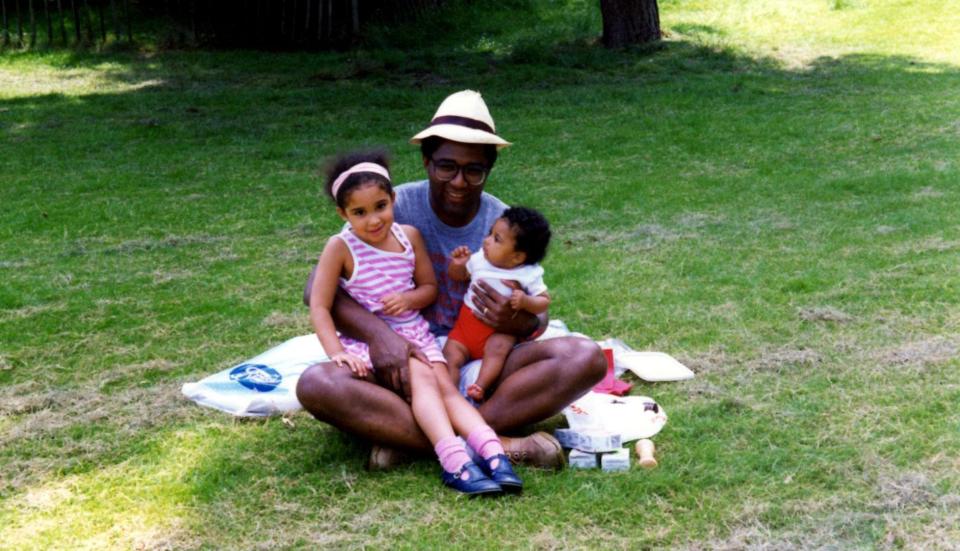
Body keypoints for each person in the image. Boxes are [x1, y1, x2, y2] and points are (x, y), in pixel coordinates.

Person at [297, 90, 607, 470]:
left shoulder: (504, 221)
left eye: (473, 170)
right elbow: (317, 289)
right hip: (399, 365)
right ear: (427, 162)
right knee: (317, 384)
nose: (459, 181)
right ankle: (496, 443)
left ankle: (418, 442)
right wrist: (382, 337)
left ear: (488, 170)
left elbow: (535, 304)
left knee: (585, 357)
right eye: (447, 166)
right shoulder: (391, 207)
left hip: (478, 363)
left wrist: (521, 320)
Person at [306, 150, 522, 495]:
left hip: (416, 334)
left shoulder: (408, 236)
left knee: (447, 389)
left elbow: (428, 289)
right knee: (423, 379)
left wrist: (407, 300)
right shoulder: (340, 246)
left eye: (380, 206)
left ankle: (494, 453)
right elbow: (319, 304)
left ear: (393, 199)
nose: (373, 220)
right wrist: (336, 352)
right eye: (359, 213)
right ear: (342, 214)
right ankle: (454, 461)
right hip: (374, 343)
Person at [445, 206, 552, 404]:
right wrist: (458, 265)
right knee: (451, 355)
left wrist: (525, 301)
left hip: (497, 333)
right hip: (466, 327)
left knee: (499, 348)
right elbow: (457, 276)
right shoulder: (479, 259)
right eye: (490, 234)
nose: (486, 241)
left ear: (517, 257)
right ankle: (449, 393)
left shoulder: (528, 273)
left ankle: (480, 385)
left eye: (496, 239)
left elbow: (544, 302)